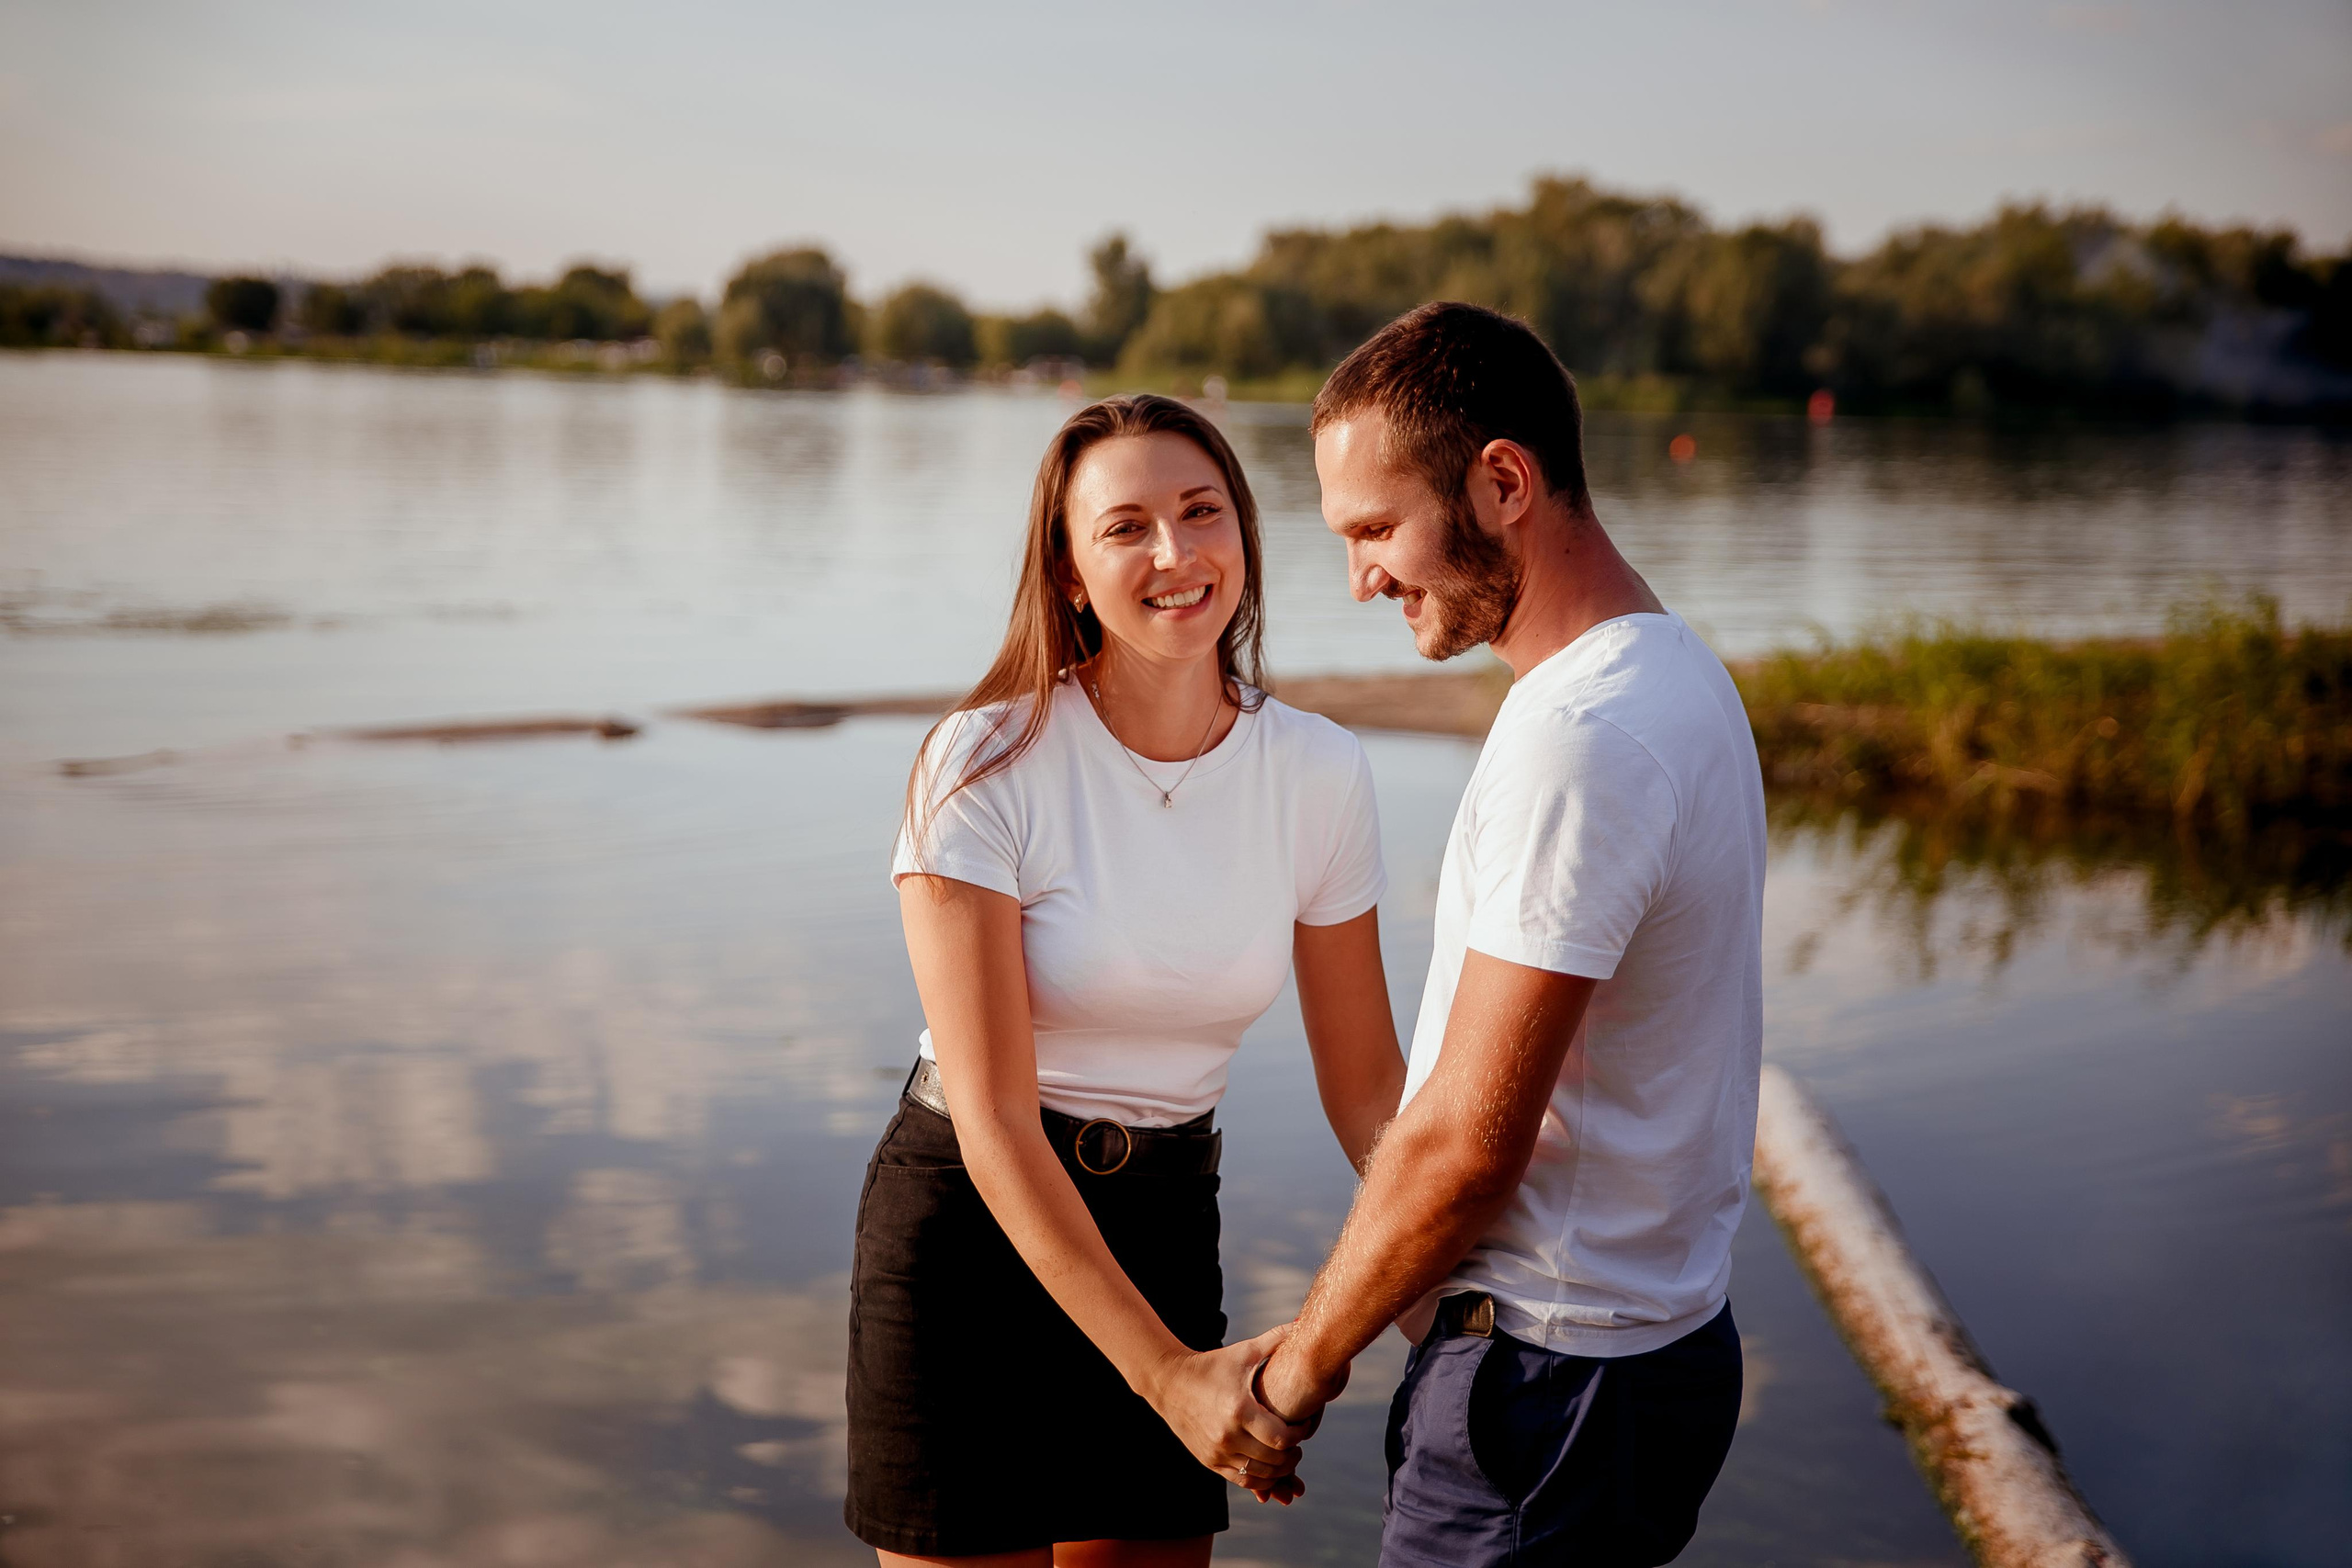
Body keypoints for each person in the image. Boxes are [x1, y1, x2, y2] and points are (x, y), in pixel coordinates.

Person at [845, 393, 1406, 1566]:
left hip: (1162, 1221)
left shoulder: (1317, 771)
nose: (1174, 555)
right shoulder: (984, 760)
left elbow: (1366, 1092)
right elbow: (996, 1120)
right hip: (972, 1230)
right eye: (1126, 527)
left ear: (1245, 536)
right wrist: (1165, 1377)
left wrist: (1458, 1280)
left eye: (1202, 513)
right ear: (1067, 570)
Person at [1258, 303, 1767, 1566]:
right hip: (1640, 1357)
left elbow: (1471, 1141)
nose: (1361, 575)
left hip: (1548, 1393)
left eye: (1376, 528)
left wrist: (1290, 1377)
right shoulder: (1678, 671)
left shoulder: (1579, 736)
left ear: (1501, 481)